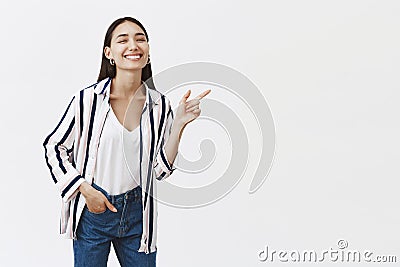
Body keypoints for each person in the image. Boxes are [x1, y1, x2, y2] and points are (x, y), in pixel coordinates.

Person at [42, 16, 211, 267]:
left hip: (138, 215)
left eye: (140, 39)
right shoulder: (88, 100)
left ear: (148, 52)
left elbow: (160, 171)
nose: (133, 45)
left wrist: (179, 125)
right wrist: (85, 190)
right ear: (109, 53)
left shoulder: (159, 105)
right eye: (123, 40)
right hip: (93, 212)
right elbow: (54, 147)